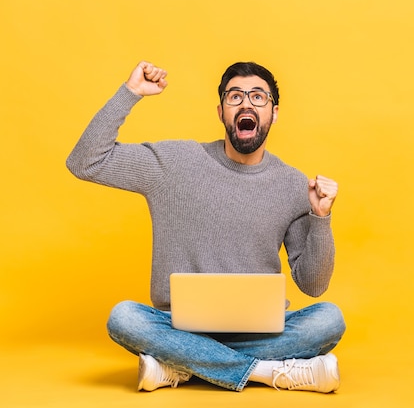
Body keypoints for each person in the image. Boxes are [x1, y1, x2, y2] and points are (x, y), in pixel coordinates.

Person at [66, 61, 346, 393]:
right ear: (220, 111)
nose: (246, 103)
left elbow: (313, 285)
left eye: (258, 97)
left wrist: (321, 218)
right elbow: (84, 162)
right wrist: (131, 93)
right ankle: (267, 372)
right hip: (179, 328)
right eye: (235, 96)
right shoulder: (175, 163)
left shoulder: (291, 184)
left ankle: (182, 366)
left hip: (256, 333)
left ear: (274, 112)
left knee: (329, 319)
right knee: (124, 318)